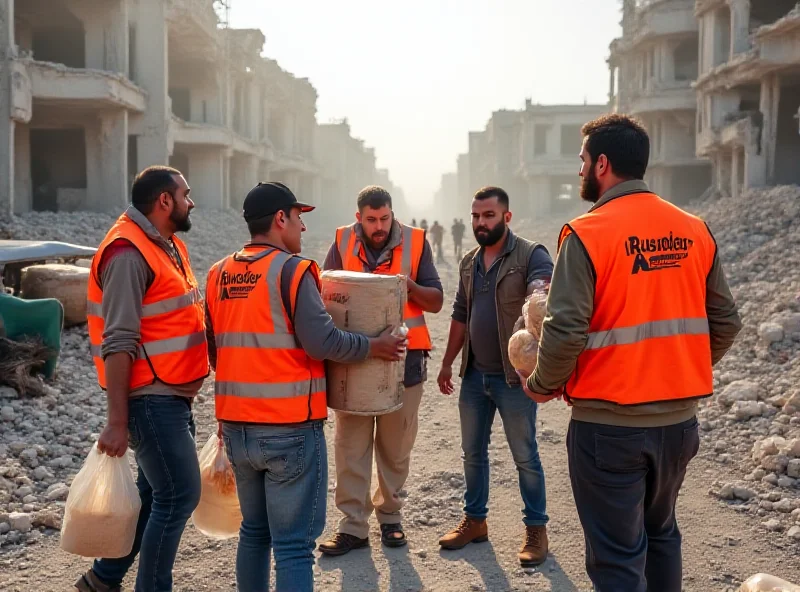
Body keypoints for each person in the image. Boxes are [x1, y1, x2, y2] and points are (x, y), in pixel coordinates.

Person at [520, 114, 742, 592]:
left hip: (609, 431)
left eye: (582, 161)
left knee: (618, 560)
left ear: (602, 163)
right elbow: (725, 322)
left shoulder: (587, 233)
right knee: (661, 537)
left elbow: (565, 330)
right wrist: (675, 371)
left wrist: (541, 385)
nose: (578, 171)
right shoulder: (694, 229)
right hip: (679, 427)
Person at [205, 182, 406, 592]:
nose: (302, 228)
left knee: (254, 534)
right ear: (281, 219)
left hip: (237, 430)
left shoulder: (217, 274)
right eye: (299, 219)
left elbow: (217, 351)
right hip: (288, 430)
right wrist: (375, 346)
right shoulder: (295, 271)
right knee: (294, 546)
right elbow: (324, 342)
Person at [78, 166, 208, 592]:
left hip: (171, 394)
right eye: (186, 195)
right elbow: (119, 342)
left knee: (155, 494)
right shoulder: (127, 253)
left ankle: (103, 579)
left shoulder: (166, 245)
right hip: (150, 400)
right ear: (165, 201)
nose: (192, 202)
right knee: (179, 496)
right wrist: (116, 422)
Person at [319, 185, 444, 555]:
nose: (379, 226)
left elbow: (436, 300)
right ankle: (352, 527)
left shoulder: (417, 243)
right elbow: (324, 293)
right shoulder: (342, 241)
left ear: (393, 214)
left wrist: (408, 287)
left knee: (396, 448)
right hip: (353, 361)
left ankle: (390, 518)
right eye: (371, 220)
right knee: (350, 447)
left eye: (385, 219)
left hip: (406, 364)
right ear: (359, 218)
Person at [436, 186, 553, 567]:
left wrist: (538, 292)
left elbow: (544, 290)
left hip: (514, 377)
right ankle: (475, 521)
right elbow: (459, 313)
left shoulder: (530, 254)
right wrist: (448, 362)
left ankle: (536, 529)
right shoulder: (470, 261)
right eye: (475, 216)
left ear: (506, 216)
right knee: (473, 454)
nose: (480, 223)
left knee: (525, 456)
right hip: (474, 376)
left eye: (488, 215)